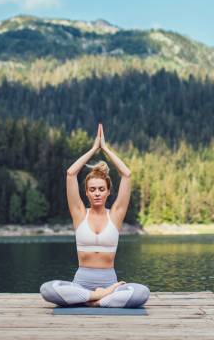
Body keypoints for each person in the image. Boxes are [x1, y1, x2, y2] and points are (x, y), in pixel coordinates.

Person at [39, 123, 150, 308]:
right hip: (81, 283)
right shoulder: (79, 214)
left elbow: (127, 174)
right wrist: (93, 149)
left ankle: (93, 301)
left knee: (142, 293)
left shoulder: (115, 215)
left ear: (108, 192)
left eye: (101, 189)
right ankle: (99, 298)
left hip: (110, 282)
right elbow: (70, 173)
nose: (97, 193)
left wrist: (105, 149)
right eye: (92, 189)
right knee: (47, 289)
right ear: (87, 193)